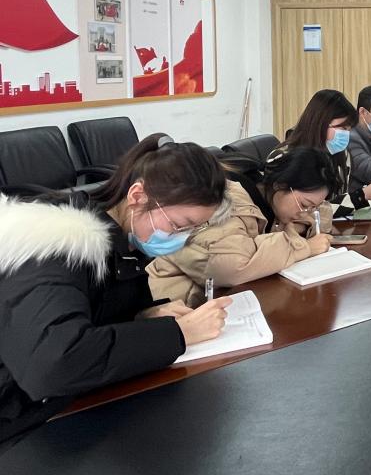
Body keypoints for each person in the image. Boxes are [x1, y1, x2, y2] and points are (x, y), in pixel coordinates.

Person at [0, 134, 232, 452]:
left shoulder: (122, 247)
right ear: (137, 195)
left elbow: (85, 315)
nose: (182, 238)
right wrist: (178, 334)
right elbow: (53, 364)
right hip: (17, 423)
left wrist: (141, 317)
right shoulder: (56, 246)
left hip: (57, 408)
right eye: (179, 225)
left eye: (193, 229)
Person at [147, 147, 336, 307]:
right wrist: (304, 247)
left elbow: (323, 213)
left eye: (313, 207)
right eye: (304, 205)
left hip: (216, 303)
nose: (306, 213)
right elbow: (229, 266)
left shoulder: (272, 199)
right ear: (281, 185)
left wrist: (299, 223)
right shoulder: (230, 200)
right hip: (172, 304)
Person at [274, 89, 371, 210]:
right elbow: (311, 209)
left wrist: (362, 196)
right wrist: (363, 195)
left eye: (349, 129)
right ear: (320, 124)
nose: (346, 135)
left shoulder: (340, 154)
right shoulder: (286, 157)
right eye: (342, 128)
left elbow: (335, 201)